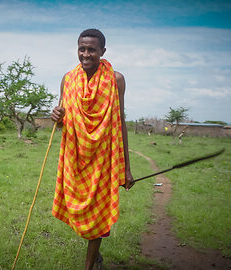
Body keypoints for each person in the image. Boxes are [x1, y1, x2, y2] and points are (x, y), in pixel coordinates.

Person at [50, 29, 134, 270]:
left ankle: (89, 266)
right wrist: (56, 116)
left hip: (103, 158)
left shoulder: (115, 80)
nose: (85, 54)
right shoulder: (68, 79)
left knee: (98, 215)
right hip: (75, 157)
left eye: (91, 49)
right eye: (81, 49)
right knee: (80, 211)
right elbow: (62, 118)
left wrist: (126, 168)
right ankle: (95, 256)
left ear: (102, 52)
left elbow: (120, 123)